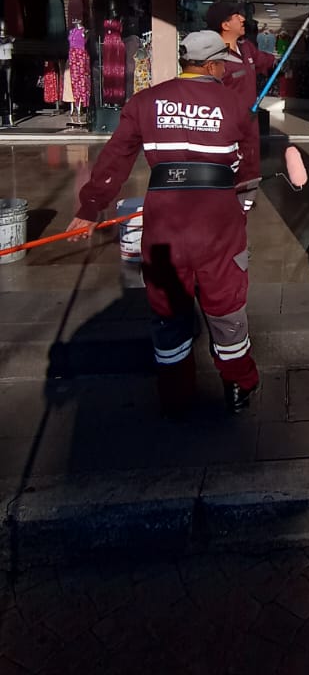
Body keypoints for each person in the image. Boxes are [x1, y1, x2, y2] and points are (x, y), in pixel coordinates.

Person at [66, 30, 260, 418]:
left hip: (165, 227)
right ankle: (238, 384)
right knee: (225, 307)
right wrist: (242, 206)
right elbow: (247, 167)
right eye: (222, 63)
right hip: (218, 226)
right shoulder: (236, 105)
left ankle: (175, 397)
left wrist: (90, 207)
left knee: (168, 312)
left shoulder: (145, 102)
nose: (224, 68)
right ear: (210, 65)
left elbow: (115, 158)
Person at [205, 0, 277, 210]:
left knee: (250, 171)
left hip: (249, 129)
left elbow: (264, 61)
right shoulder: (214, 58)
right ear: (225, 25)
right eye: (237, 16)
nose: (243, 18)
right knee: (228, 178)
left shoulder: (246, 48)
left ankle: (243, 212)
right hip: (228, 131)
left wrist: (277, 61)